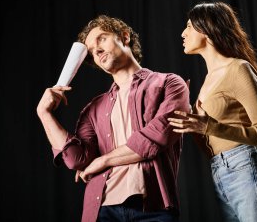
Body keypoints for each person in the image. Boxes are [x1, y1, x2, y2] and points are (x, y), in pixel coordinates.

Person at [36, 15, 190, 222]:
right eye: (90, 51)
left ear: (124, 37)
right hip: (102, 210)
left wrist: (103, 160)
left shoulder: (169, 83)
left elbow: (157, 138)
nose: (96, 51)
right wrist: (44, 114)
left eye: (101, 39)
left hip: (153, 208)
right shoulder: (93, 109)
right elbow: (76, 160)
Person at [168, 1, 257, 222]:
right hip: (219, 169)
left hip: (245, 167)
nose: (183, 33)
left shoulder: (238, 68)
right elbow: (208, 137)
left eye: (189, 26)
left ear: (207, 29)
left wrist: (208, 125)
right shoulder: (209, 80)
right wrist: (189, 118)